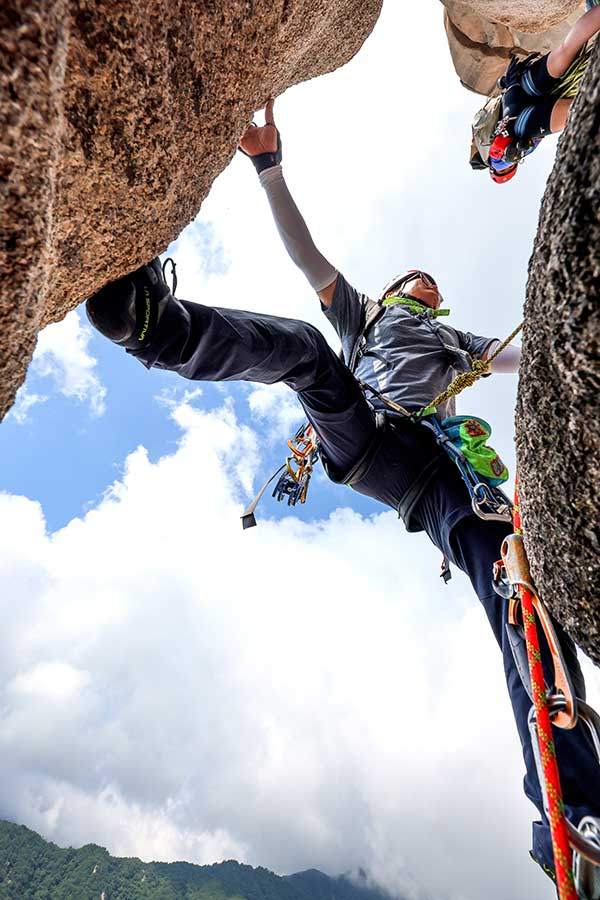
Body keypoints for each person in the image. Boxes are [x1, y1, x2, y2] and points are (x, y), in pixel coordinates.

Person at [85, 100, 600, 886]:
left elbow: (515, 355)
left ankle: (574, 806)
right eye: (414, 275)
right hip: (367, 436)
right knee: (304, 350)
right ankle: (156, 326)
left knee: (516, 588)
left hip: (435, 476)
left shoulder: (452, 342)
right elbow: (307, 256)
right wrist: (269, 169)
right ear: (394, 288)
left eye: (433, 282)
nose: (427, 278)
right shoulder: (366, 316)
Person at [470, 1, 600, 184]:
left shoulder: (496, 162)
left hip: (521, 121)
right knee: (565, 50)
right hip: (517, 90)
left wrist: (513, 152)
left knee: (578, 110)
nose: (507, 167)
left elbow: (506, 152)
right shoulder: (485, 136)